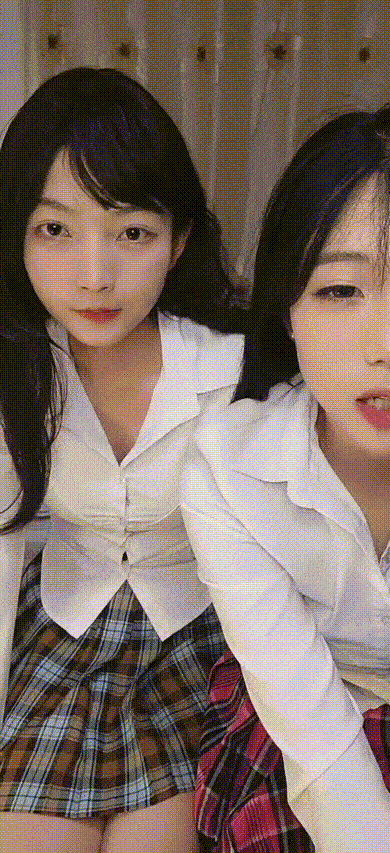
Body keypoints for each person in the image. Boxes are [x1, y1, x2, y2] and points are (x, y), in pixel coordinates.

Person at [181, 103, 390, 853]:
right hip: (308, 714)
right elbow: (315, 733)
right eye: (342, 291)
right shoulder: (228, 469)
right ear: (286, 309)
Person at [0, 66, 244, 853]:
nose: (94, 276)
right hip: (60, 631)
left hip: (193, 641)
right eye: (55, 230)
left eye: (131, 232)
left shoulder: (234, 372)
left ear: (178, 240)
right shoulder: (17, 367)